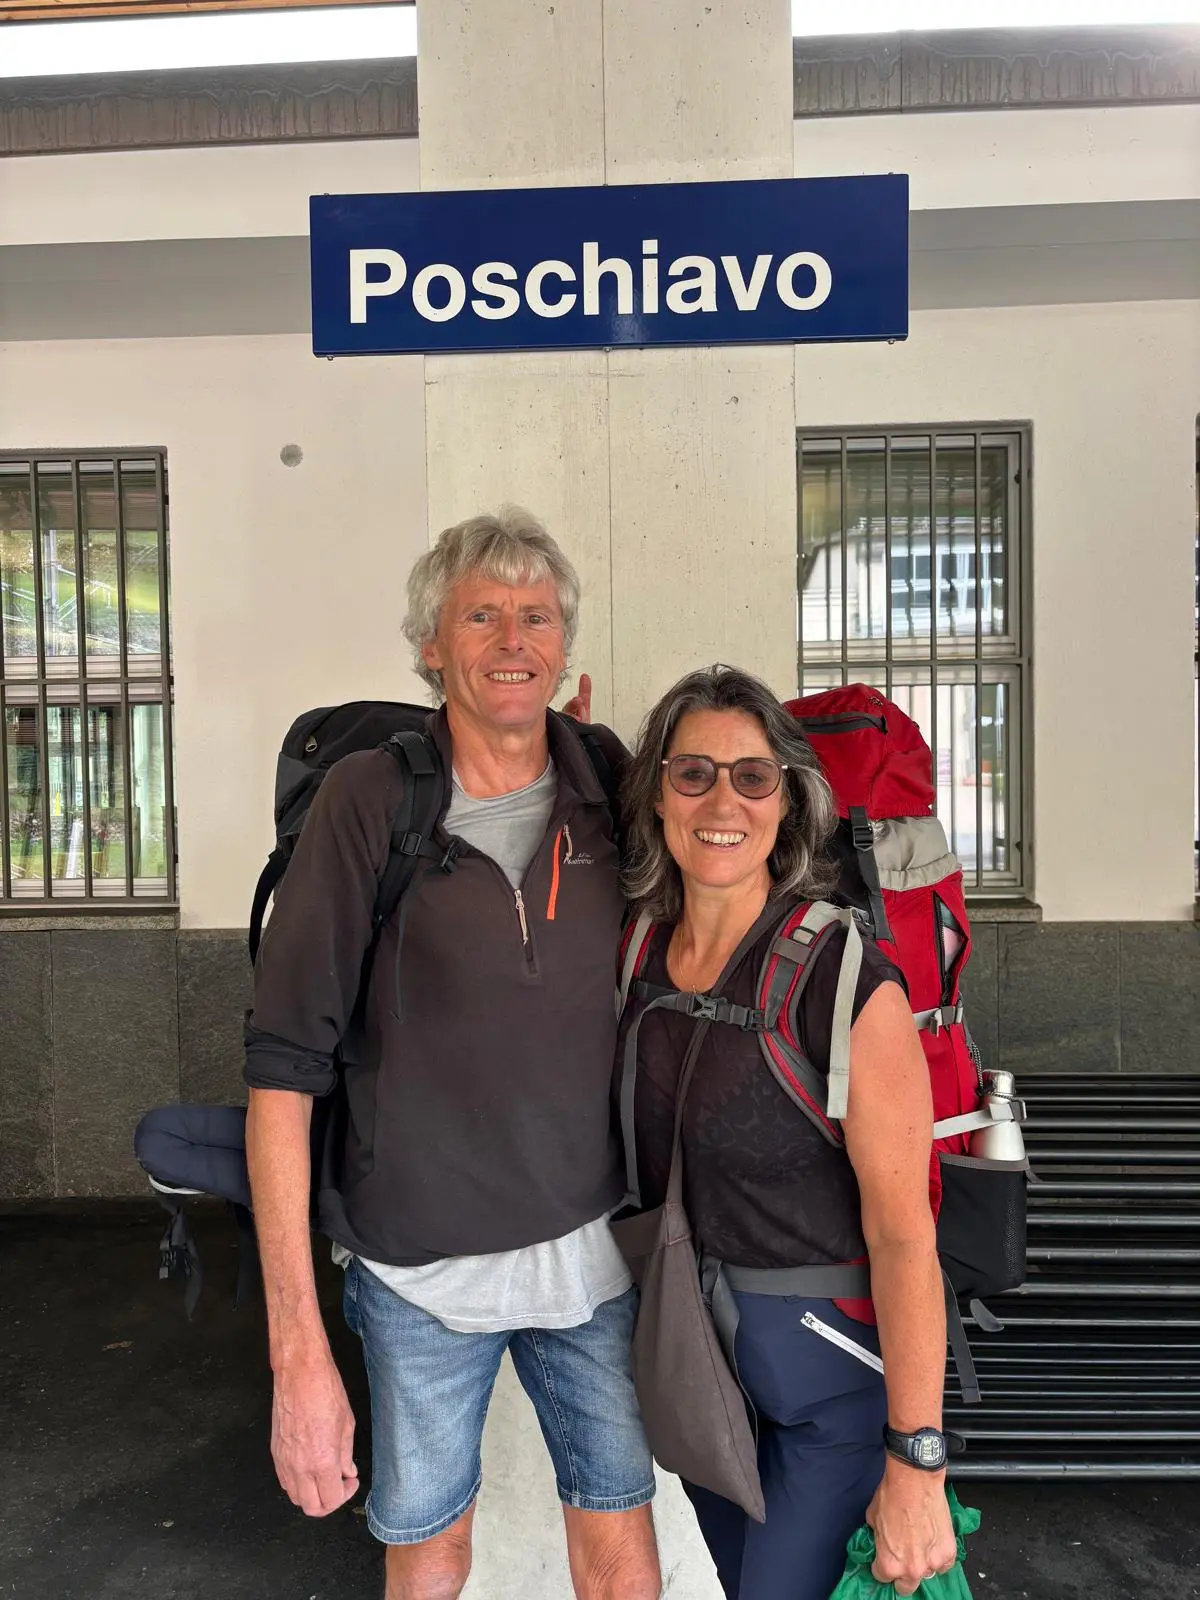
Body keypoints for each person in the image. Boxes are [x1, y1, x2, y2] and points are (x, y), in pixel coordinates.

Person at [243, 509, 660, 1600]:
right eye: (482, 616)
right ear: (431, 644)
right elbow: (282, 1073)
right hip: (417, 1273)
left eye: (537, 616)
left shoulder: (607, 785)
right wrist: (297, 1349)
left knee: (623, 1550)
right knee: (432, 1553)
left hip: (592, 1260)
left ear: (564, 646)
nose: (513, 639)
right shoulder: (373, 799)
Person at [615, 665, 958, 1600]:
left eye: (752, 776)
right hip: (699, 1373)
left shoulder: (843, 978)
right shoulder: (638, 953)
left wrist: (917, 1460)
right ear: (658, 794)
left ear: (788, 801)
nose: (722, 801)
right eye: (693, 773)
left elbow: (904, 1232)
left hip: (830, 1391)